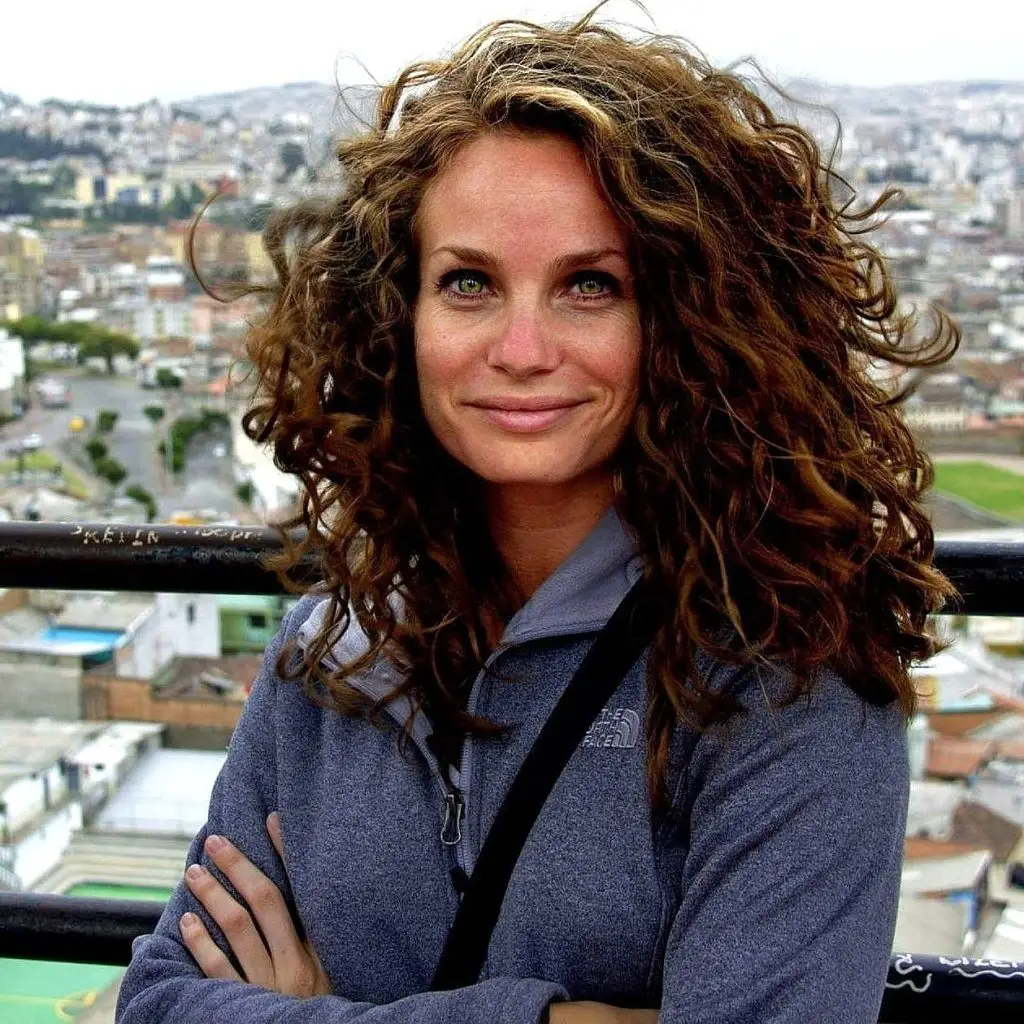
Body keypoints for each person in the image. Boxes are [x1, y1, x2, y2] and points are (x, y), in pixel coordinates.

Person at [115, 11, 960, 1024]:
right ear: (398, 314)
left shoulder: (784, 678)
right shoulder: (337, 651)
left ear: (690, 320)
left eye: (589, 285)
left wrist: (312, 1014)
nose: (520, 349)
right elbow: (157, 1004)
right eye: (468, 282)